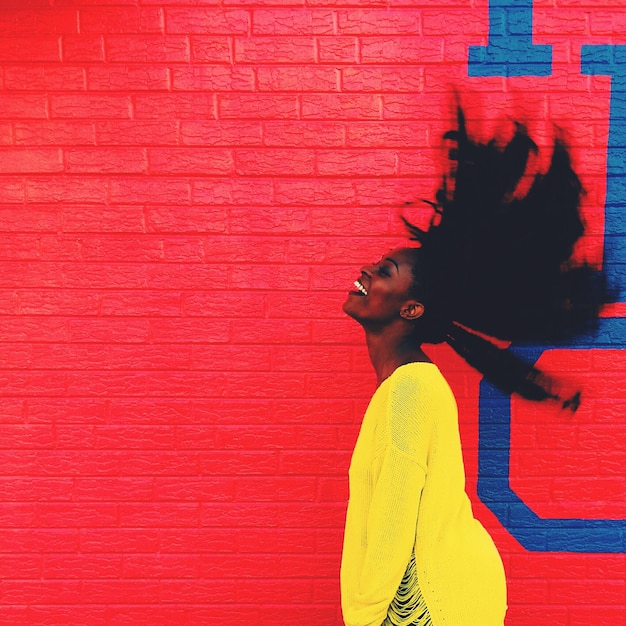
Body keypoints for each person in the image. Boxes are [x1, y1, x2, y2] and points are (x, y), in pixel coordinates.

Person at [339, 107, 609, 626]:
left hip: (424, 605)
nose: (368, 270)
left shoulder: (410, 390)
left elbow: (394, 522)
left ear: (411, 309)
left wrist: (365, 614)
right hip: (436, 595)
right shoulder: (409, 385)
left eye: (386, 270)